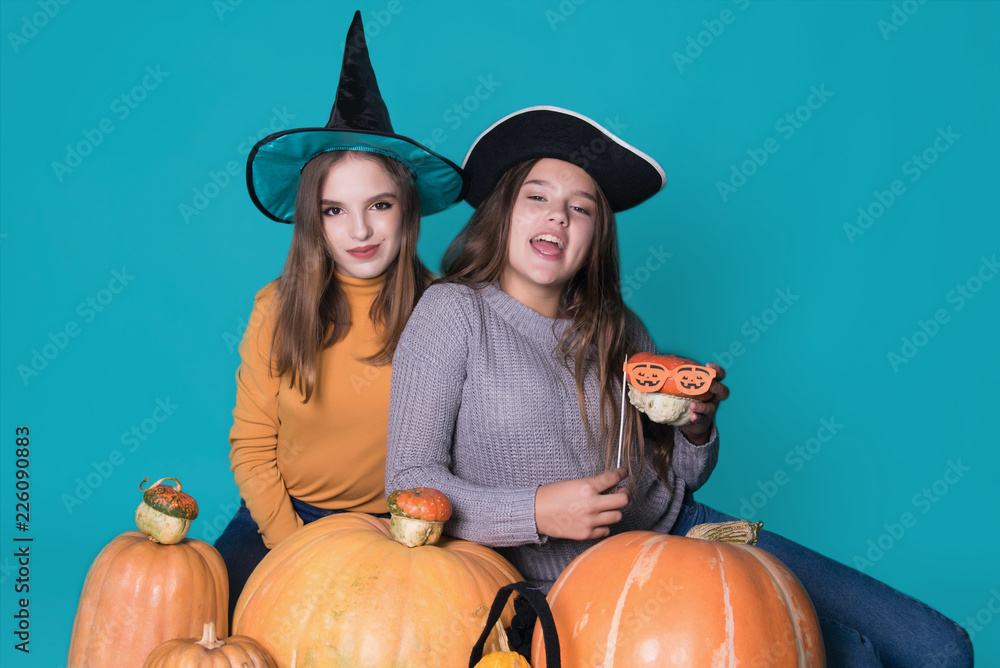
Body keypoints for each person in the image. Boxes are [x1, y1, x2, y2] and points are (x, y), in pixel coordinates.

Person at [385, 106, 973, 667]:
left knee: (938, 649)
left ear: (596, 235)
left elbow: (676, 475)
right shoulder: (453, 313)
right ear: (502, 211)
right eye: (537, 197)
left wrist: (696, 428)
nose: (557, 217)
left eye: (580, 208)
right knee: (857, 658)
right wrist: (536, 510)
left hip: (681, 532)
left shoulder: (622, 328)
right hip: (568, 582)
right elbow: (410, 484)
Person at [214, 12, 465, 621]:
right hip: (288, 515)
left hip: (406, 526)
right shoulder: (277, 307)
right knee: (207, 610)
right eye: (335, 210)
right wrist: (295, 548)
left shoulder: (448, 311)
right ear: (313, 220)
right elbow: (252, 447)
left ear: (407, 211)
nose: (359, 230)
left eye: (379, 205)